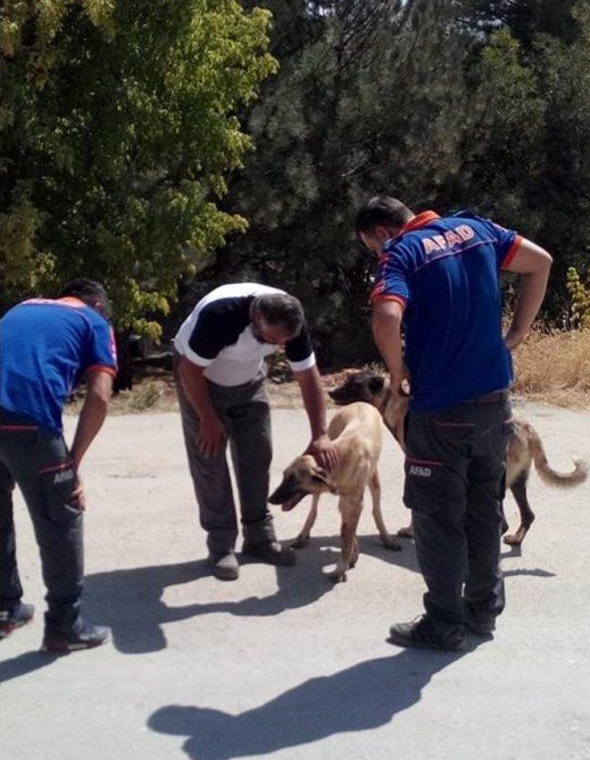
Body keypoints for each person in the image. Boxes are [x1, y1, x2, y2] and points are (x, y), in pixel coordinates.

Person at [355, 196, 552, 651]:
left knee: (437, 518)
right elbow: (540, 262)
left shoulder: (402, 252)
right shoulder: (478, 229)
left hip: (442, 410)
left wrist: (398, 370)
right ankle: (482, 614)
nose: (377, 254)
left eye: (372, 247)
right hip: (496, 404)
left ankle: (443, 624)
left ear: (382, 233)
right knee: (484, 511)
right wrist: (517, 334)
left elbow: (386, 315)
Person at [173, 282, 337, 580]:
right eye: (275, 340)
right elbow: (189, 370)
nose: (282, 346)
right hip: (202, 383)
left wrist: (319, 434)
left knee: (258, 453)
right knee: (209, 461)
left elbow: (308, 377)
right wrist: (208, 419)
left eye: (284, 341)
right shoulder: (221, 315)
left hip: (249, 379)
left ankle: (259, 538)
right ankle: (221, 546)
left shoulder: (290, 319)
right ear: (256, 319)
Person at [0, 279, 117, 653]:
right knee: (61, 515)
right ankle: (65, 627)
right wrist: (72, 463)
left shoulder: (21, 308)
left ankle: (5, 609)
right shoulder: (94, 321)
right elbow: (100, 396)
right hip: (28, 423)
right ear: (98, 305)